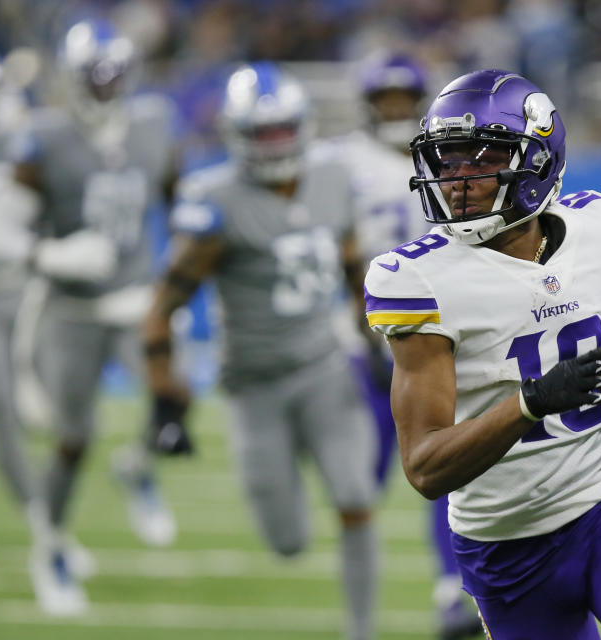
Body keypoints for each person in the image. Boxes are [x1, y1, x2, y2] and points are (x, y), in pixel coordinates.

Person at [364, 69, 601, 640]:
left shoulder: (599, 226)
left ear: (540, 160)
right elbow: (424, 466)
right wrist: (530, 402)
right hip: (505, 552)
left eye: (483, 158)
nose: (458, 180)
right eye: (448, 162)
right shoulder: (417, 279)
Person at [141, 62, 379, 640]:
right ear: (237, 134)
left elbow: (354, 268)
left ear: (302, 126)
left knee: (355, 498)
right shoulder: (214, 201)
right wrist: (165, 398)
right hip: (253, 386)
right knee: (288, 541)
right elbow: (161, 306)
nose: (274, 143)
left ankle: (360, 631)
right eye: (261, 132)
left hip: (325, 368)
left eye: (282, 129)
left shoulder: (332, 178)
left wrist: (375, 345)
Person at [0, 18, 180, 615]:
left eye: (116, 75)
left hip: (135, 296)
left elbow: (174, 193)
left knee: (174, 399)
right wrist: (49, 253)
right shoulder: (44, 137)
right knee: (72, 437)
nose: (108, 87)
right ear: (72, 78)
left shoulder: (151, 125)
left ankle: (136, 467)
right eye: (96, 77)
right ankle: (51, 545)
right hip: (69, 308)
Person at [328, 51, 483, 640]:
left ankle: (451, 590)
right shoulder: (340, 162)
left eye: (402, 100)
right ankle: (361, 606)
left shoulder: (451, 156)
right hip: (360, 334)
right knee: (362, 476)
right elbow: (329, 248)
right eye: (383, 100)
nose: (394, 110)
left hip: (435, 334)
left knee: (444, 459)